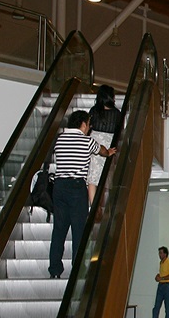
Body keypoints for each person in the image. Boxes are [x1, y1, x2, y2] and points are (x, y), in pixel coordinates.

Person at [48, 110, 116, 280]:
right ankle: (77, 271)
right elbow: (101, 150)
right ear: (83, 124)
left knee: (59, 230)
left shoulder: (59, 140)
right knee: (79, 231)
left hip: (60, 186)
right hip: (77, 187)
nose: (89, 127)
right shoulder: (86, 141)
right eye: (89, 124)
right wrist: (108, 152)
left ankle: (55, 270)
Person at [87, 84, 121, 205]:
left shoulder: (94, 111)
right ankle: (107, 207)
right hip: (109, 144)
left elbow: (88, 127)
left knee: (92, 177)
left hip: (95, 143)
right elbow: (120, 130)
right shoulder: (117, 113)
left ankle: (93, 206)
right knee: (108, 176)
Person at [151, 246, 169, 318]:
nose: (159, 254)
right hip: (161, 286)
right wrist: (158, 276)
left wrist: (162, 278)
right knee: (156, 306)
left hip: (167, 286)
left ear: (165, 254)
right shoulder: (161, 262)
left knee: (167, 307)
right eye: (159, 253)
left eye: (161, 253)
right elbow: (162, 274)